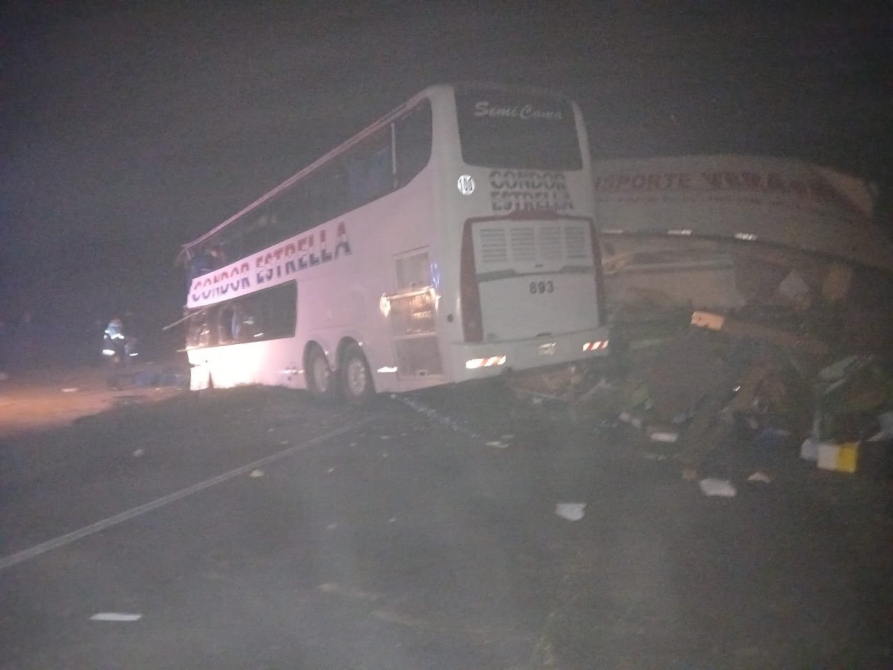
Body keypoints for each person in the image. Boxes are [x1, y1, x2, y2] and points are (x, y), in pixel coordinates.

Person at [103, 316, 127, 389]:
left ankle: (112, 385)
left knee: (111, 369)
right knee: (114, 369)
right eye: (118, 321)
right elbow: (116, 341)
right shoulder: (113, 329)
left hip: (109, 351)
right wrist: (121, 348)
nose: (120, 323)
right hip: (113, 352)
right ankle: (114, 385)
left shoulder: (110, 328)